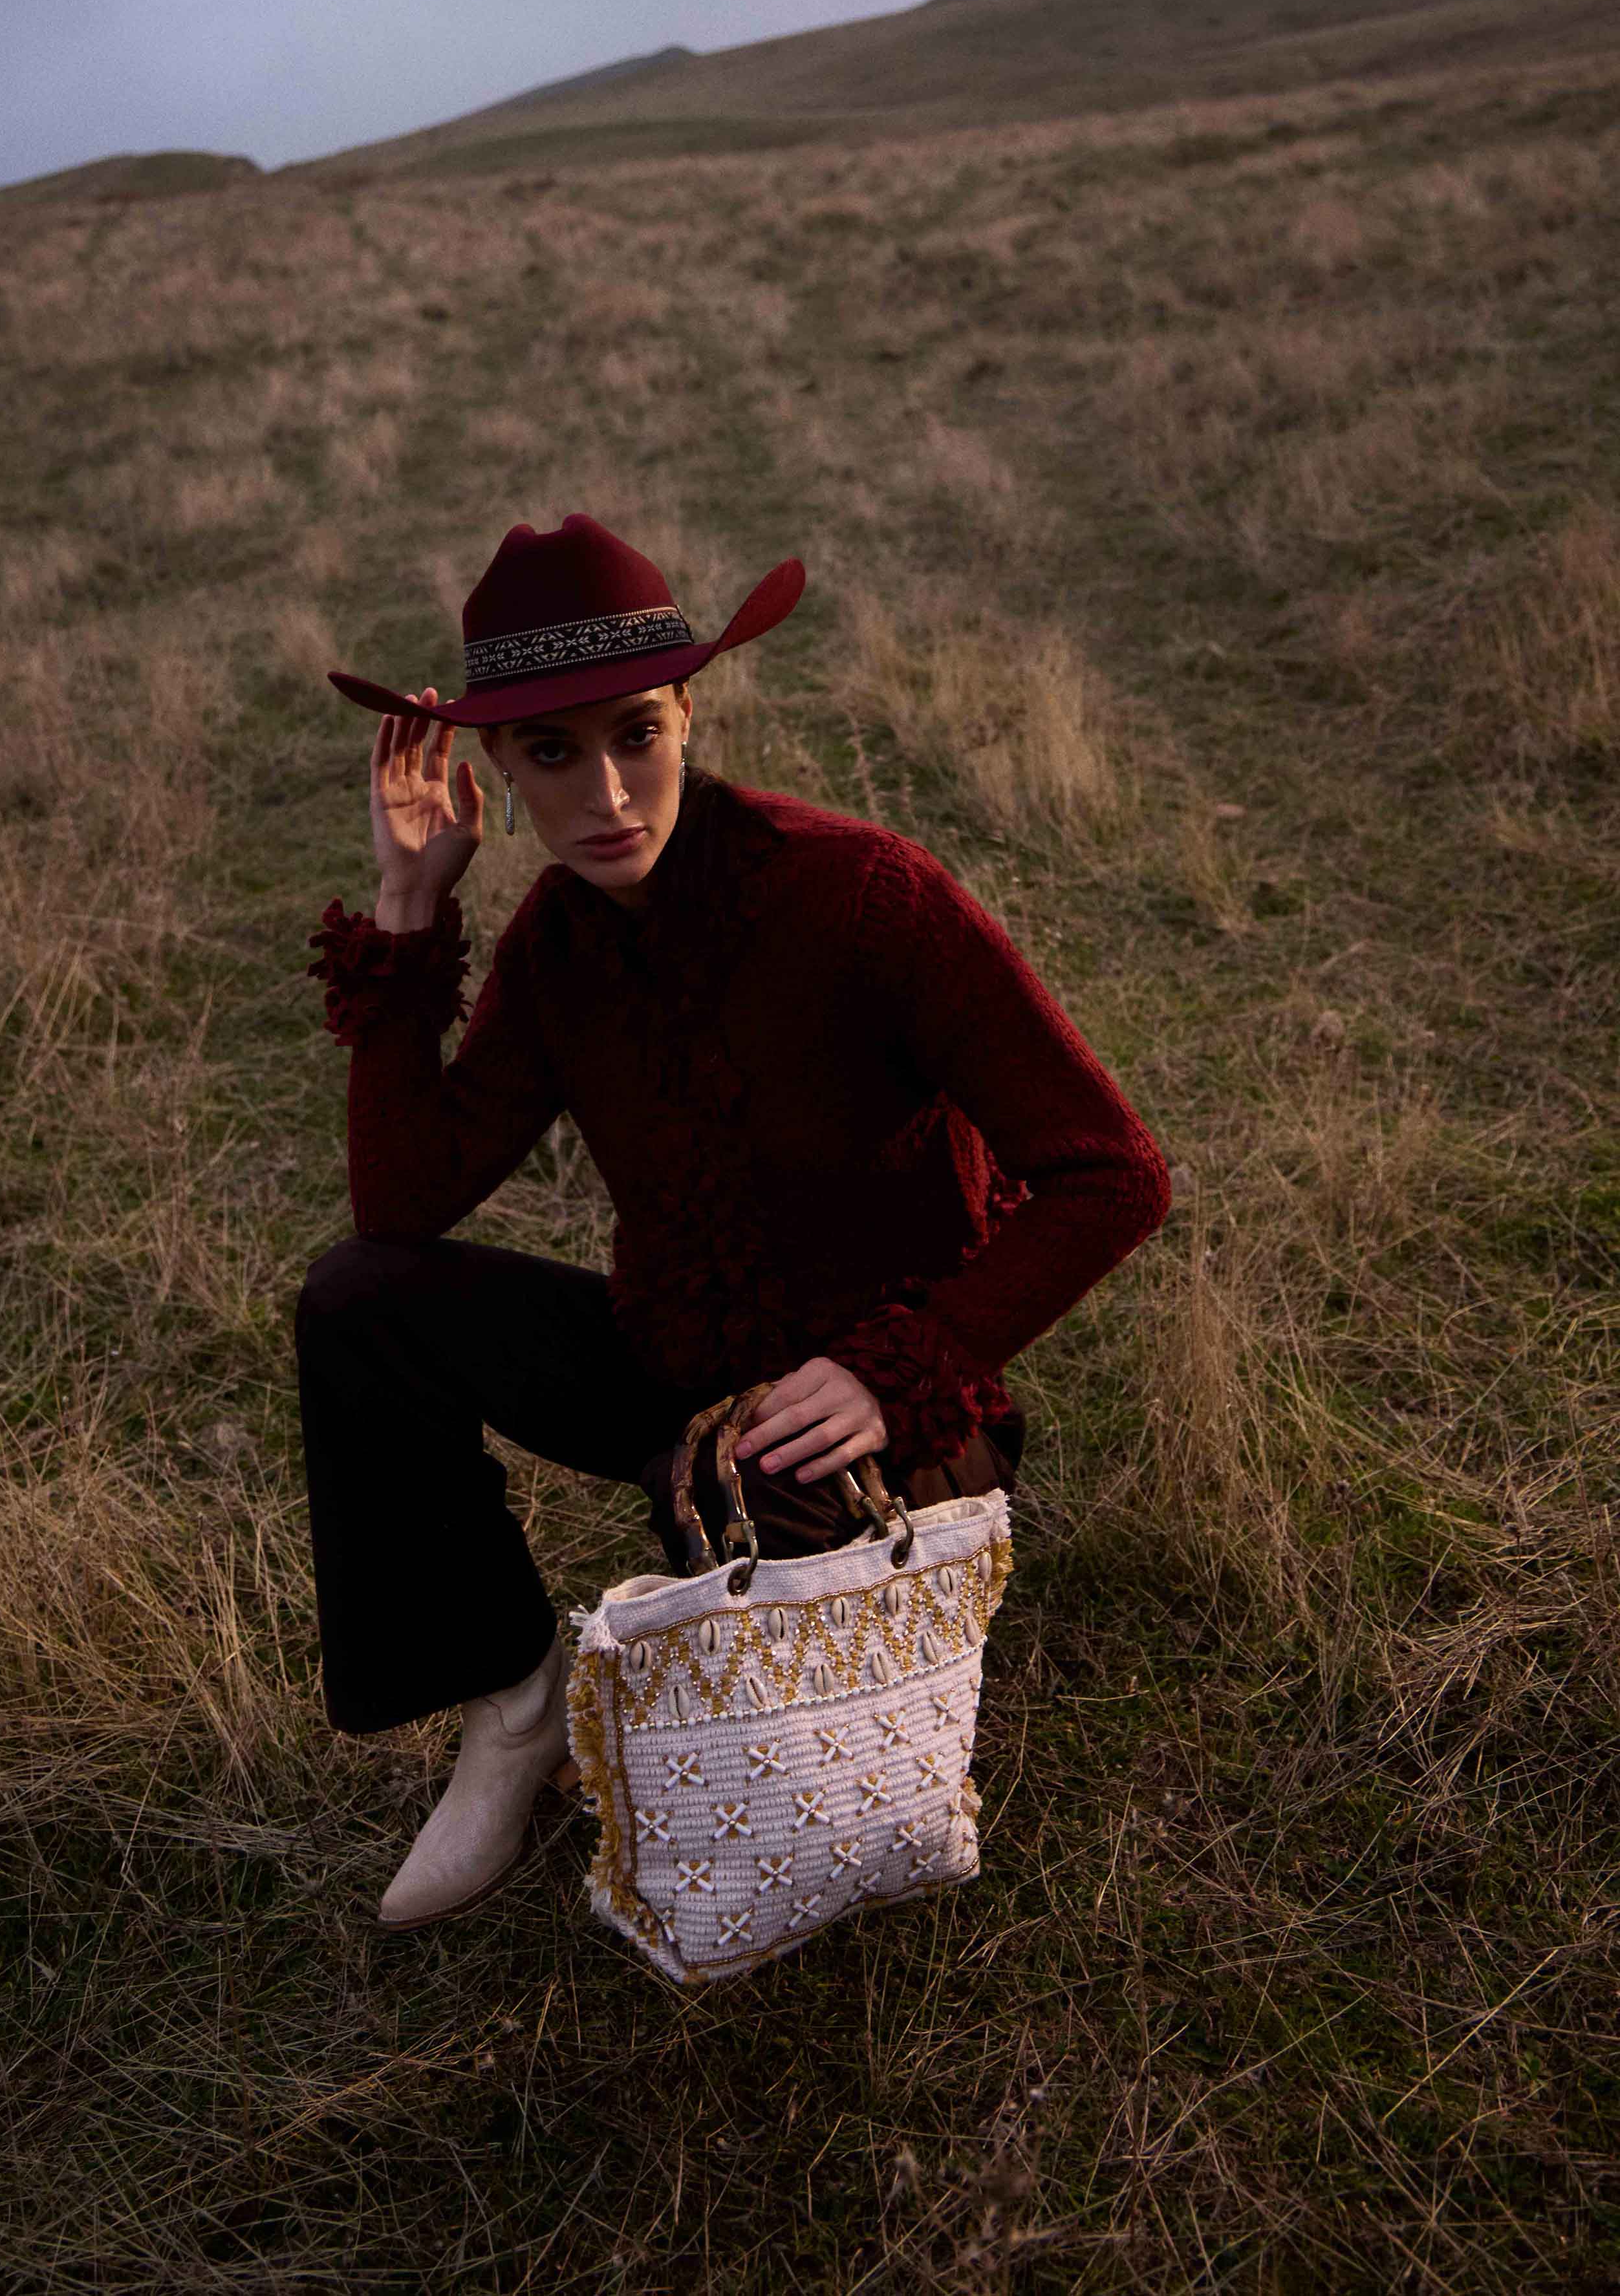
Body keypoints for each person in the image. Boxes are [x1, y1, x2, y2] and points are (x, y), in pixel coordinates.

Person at [296, 513, 1169, 1931]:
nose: (608, 791)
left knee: (767, 1559)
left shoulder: (863, 895)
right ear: (498, 769)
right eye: (554, 752)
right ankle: (514, 1700)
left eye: (636, 731)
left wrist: (903, 1361)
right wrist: (408, 904)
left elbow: (1113, 1169)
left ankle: (839, 1589)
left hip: (882, 1405)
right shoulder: (555, 946)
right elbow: (404, 1203)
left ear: (689, 712)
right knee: (357, 1301)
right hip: (675, 1360)